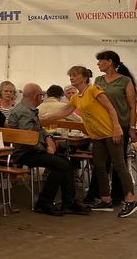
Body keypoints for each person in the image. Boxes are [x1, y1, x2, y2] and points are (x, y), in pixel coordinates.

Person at [41, 66, 137, 217]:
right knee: (99, 166)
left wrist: (117, 127)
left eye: (74, 75)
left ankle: (131, 200)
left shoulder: (94, 90)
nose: (71, 78)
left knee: (119, 165)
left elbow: (111, 108)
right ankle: (106, 200)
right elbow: (64, 111)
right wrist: (45, 118)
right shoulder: (76, 97)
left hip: (109, 132)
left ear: (84, 77)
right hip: (97, 135)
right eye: (70, 75)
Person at [6, 83, 88, 215]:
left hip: (29, 149)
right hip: (25, 152)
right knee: (62, 164)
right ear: (38, 96)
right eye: (41, 96)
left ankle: (68, 202)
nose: (42, 98)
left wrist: (48, 137)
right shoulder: (24, 112)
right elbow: (29, 139)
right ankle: (46, 202)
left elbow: (39, 130)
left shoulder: (27, 108)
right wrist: (45, 148)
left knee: (64, 163)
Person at [92, 50, 137, 204]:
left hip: (120, 126)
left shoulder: (125, 81)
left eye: (101, 61)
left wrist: (132, 127)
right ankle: (103, 196)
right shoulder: (98, 80)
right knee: (100, 163)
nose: (98, 64)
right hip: (102, 126)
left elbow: (132, 106)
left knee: (119, 162)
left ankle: (122, 196)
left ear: (110, 61)